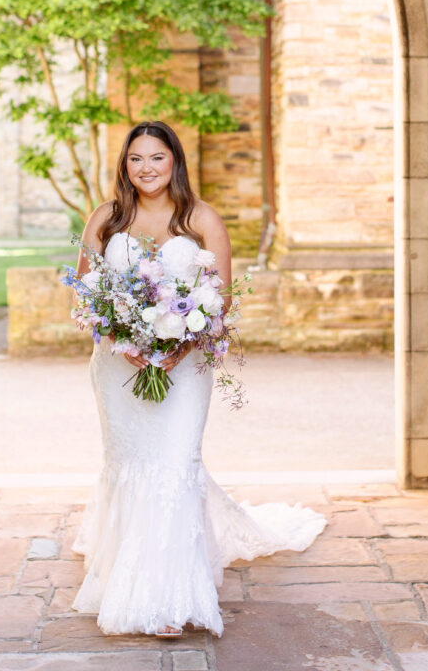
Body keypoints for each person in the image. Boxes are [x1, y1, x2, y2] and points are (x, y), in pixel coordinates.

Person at [71, 120, 326, 637]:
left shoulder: (202, 219)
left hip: (184, 368)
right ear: (124, 164)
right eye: (136, 158)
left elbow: (221, 298)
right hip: (118, 369)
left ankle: (171, 596)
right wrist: (127, 342)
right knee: (129, 463)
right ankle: (126, 576)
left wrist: (176, 346)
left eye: (157, 158)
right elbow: (84, 294)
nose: (146, 168)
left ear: (175, 162)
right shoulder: (105, 218)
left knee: (175, 462)